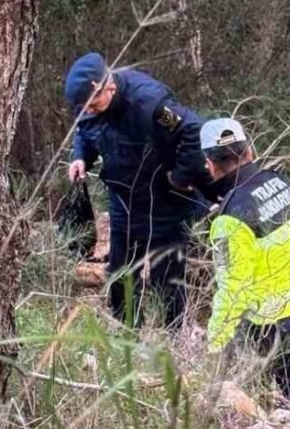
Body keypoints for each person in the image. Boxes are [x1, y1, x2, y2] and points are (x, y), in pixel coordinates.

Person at [200, 117, 290, 429]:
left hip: (282, 327)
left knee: (269, 408)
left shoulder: (231, 219)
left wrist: (215, 343)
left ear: (209, 164)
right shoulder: (287, 186)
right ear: (249, 151)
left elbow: (232, 290)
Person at [64, 52, 210, 328]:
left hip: (166, 203)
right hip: (124, 201)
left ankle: (170, 340)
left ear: (108, 86)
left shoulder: (149, 101)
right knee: (120, 273)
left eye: (93, 103)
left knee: (164, 277)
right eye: (85, 107)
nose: (90, 110)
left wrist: (180, 176)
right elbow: (84, 132)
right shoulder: (89, 108)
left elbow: (194, 131)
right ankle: (126, 335)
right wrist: (80, 156)